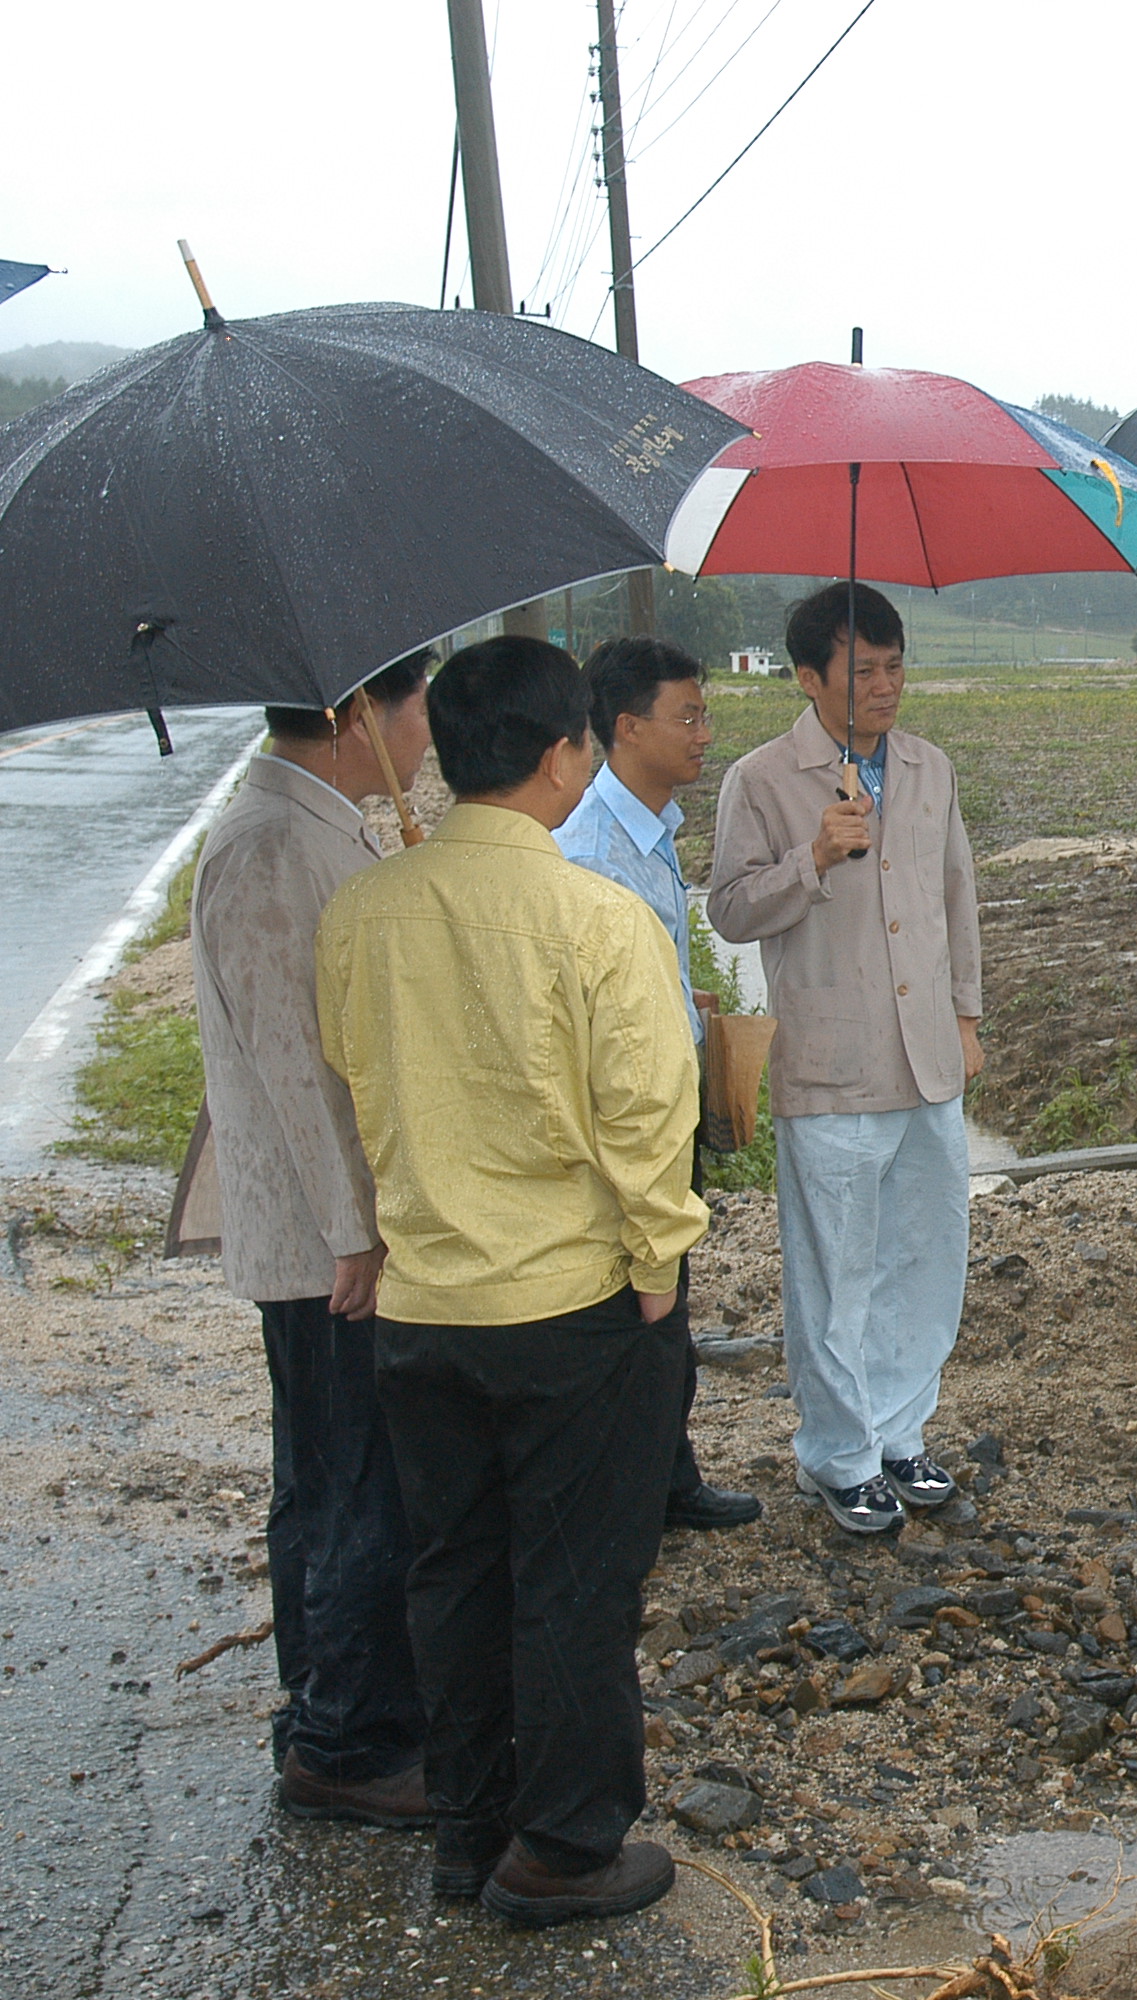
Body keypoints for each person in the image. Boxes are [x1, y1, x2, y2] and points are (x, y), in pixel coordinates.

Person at [315, 636, 705, 1925]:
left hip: (424, 1306)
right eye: (584, 741)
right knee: (576, 1578)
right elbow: (649, 1108)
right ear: (558, 757)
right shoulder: (594, 915)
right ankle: (563, 1844)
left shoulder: (363, 910)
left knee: (458, 1569)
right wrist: (657, 1261)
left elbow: (355, 1076)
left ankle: (466, 1826)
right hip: (564, 1305)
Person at [191, 650, 434, 1832]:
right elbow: (297, 1064)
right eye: (417, 701)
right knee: (350, 1485)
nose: (428, 726)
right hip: (325, 1244)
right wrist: (356, 1233)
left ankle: (328, 1701)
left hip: (334, 1234)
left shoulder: (316, 825)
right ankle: (346, 1739)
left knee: (328, 1477)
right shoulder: (270, 844)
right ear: (360, 713)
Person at [708, 584, 980, 1537]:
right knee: (834, 1273)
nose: (885, 686)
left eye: (896, 665)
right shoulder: (764, 780)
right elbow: (731, 909)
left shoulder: (927, 768)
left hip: (925, 1059)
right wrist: (812, 858)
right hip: (831, 1061)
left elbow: (956, 896)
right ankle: (839, 1453)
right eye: (863, 670)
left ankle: (902, 1430)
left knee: (926, 1253)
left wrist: (967, 1014)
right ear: (808, 677)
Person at [557, 636, 762, 1532]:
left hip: (669, 1097)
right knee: (640, 1301)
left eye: (705, 712)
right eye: (689, 715)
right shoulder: (593, 849)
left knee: (668, 1297)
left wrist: (685, 996)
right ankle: (637, 1491)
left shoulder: (651, 830)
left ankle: (665, 1477)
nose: (704, 733)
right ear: (628, 727)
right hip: (631, 1118)